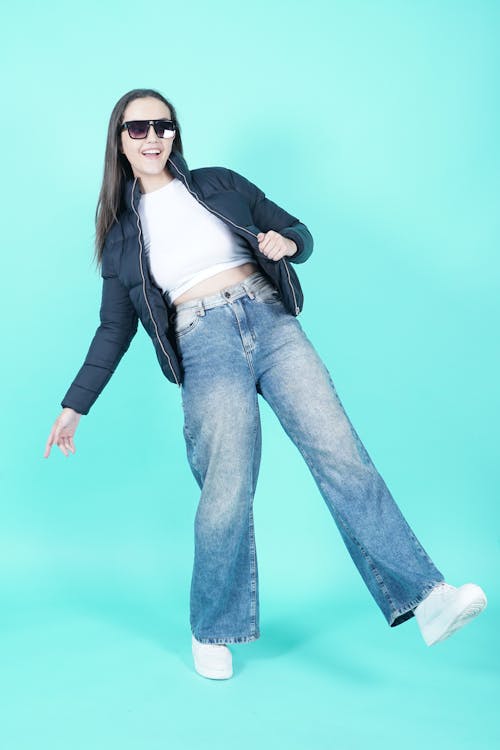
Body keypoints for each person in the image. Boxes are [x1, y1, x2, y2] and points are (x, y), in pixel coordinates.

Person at [44, 88, 487, 680]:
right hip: (204, 342)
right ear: (119, 142)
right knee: (226, 485)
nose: (152, 136)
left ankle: (429, 600)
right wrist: (76, 405)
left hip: (272, 323)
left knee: (342, 456)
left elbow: (298, 232)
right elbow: (113, 329)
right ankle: (213, 627)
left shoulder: (220, 182)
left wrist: (288, 243)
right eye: (138, 128)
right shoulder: (121, 237)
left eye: (163, 125)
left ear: (174, 132)